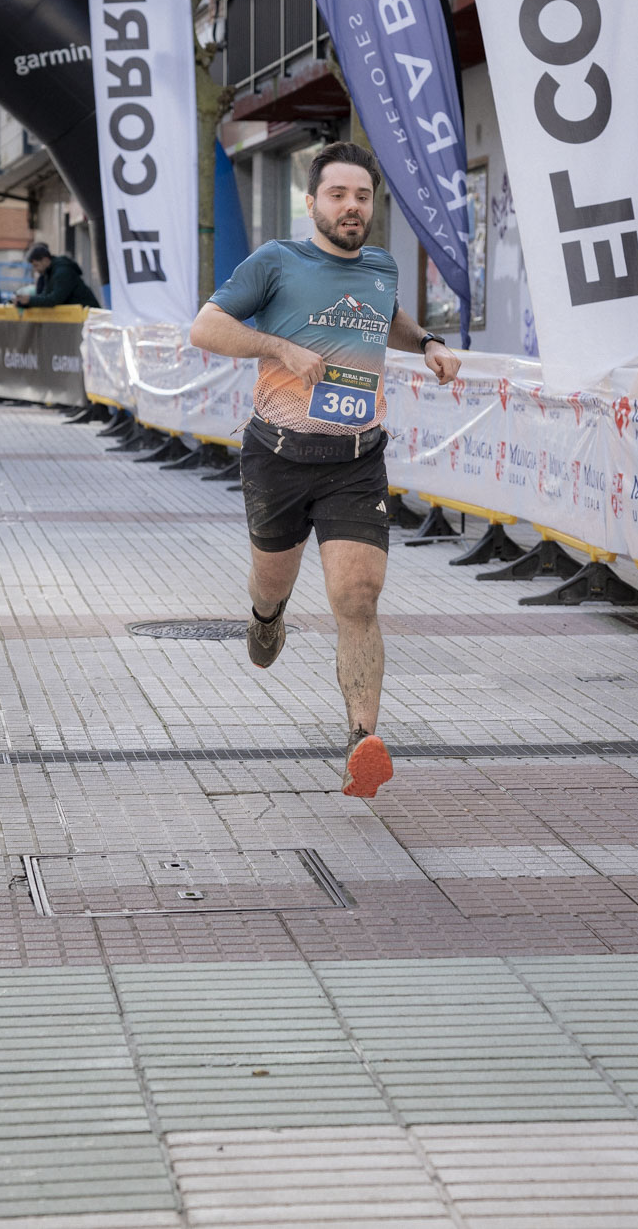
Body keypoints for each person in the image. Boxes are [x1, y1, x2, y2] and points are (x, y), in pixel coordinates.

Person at [189, 141, 461, 798]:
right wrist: (280, 347)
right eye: (338, 195)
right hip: (278, 458)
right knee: (271, 583)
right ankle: (266, 615)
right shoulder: (277, 261)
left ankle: (362, 742)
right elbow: (206, 327)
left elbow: (384, 318)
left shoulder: (381, 266)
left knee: (358, 596)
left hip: (355, 461)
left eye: (362, 196)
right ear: (311, 202)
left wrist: (426, 342)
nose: (351, 206)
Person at [14, 243, 100, 308]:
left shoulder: (62, 271)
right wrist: (25, 302)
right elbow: (45, 295)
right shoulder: (50, 272)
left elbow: (54, 299)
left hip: (89, 317)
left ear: (45, 260)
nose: (35, 270)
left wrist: (29, 300)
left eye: (36, 265)